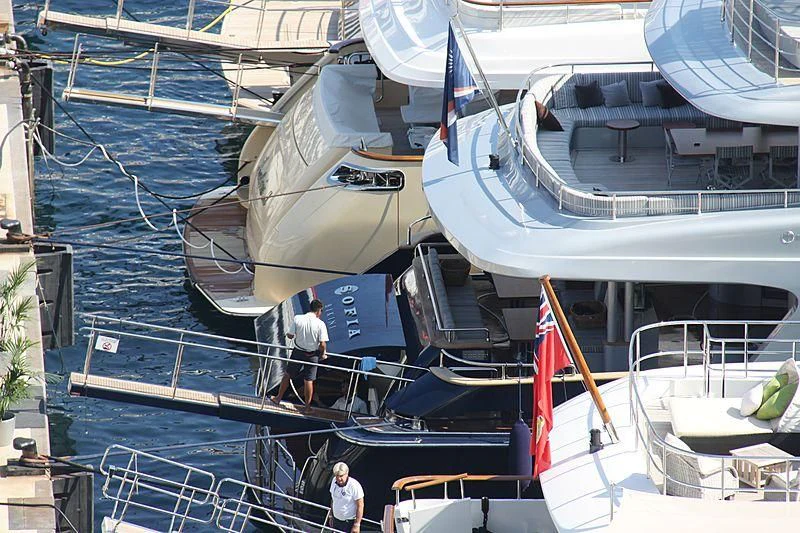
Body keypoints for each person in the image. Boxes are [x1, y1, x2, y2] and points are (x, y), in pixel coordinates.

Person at [271, 299, 329, 411]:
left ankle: (278, 398)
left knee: (287, 375)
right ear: (318, 311)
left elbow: (290, 335)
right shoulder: (320, 324)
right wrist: (323, 355)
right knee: (308, 380)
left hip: (298, 352)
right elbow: (322, 344)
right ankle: (307, 407)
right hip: (312, 355)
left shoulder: (298, 319)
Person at [329, 462, 364, 533]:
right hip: (336, 520)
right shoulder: (333, 481)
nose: (339, 478)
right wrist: (331, 515)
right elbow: (333, 500)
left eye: (341, 476)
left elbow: (360, 505)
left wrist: (357, 525)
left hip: (348, 522)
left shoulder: (354, 486)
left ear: (347, 473)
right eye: (337, 476)